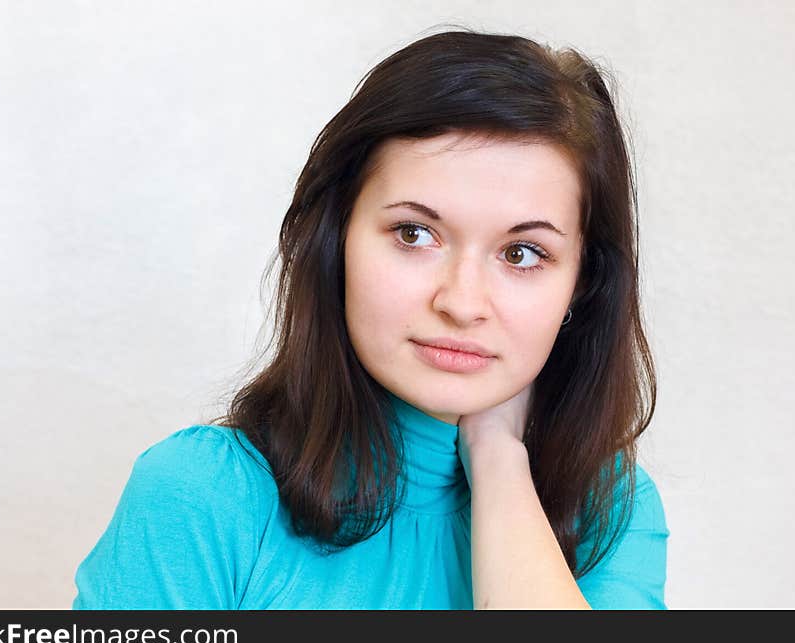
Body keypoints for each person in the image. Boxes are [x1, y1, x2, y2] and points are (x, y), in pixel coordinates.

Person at [72, 29, 668, 610]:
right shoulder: (203, 495)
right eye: (414, 234)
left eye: (521, 253)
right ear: (336, 243)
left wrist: (497, 458)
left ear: (582, 285)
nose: (461, 304)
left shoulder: (611, 512)